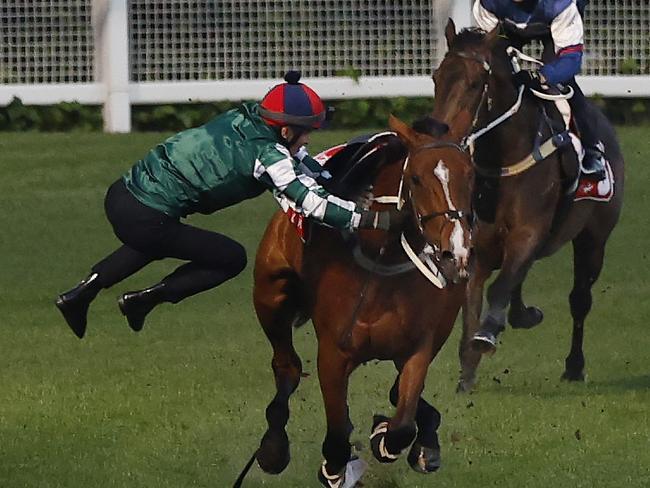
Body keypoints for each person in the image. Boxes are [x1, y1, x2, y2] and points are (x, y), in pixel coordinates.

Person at [56, 71, 401, 339]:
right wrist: (374, 221)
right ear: (284, 132)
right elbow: (309, 203)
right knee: (230, 257)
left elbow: (300, 162)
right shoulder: (268, 156)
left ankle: (79, 296)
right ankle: (145, 300)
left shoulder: (249, 117)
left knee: (154, 241)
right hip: (146, 216)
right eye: (306, 130)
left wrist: (327, 171)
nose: (310, 137)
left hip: (122, 196)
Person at [473, 0, 606, 180]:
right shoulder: (489, 3)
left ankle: (592, 149)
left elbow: (571, 59)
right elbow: (483, 48)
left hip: (553, 25)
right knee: (492, 74)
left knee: (562, 80)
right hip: (506, 29)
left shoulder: (561, 4)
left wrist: (542, 76)